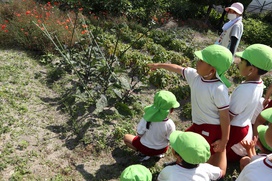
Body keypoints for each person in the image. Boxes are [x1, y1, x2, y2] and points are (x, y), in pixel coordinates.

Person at [148, 44, 233, 176]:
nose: (197, 62)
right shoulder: (195, 76)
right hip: (198, 124)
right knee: (181, 145)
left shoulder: (219, 89)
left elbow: (224, 117)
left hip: (211, 128)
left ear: (212, 70)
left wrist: (224, 140)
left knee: (200, 155)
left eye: (201, 61)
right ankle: (183, 164)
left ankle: (201, 174)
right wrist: (158, 65)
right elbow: (177, 68)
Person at [227, 44, 272, 162]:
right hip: (244, 127)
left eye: (242, 61)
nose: (238, 63)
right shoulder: (259, 83)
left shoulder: (244, 90)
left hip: (234, 131)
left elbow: (228, 117)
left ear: (251, 69)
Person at [123, 90, 179, 161]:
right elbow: (170, 139)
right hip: (161, 150)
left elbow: (139, 134)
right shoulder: (170, 124)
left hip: (145, 148)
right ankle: (158, 155)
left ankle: (143, 153)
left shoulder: (147, 118)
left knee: (126, 138)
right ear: (171, 110)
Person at [157, 131, 223, 181]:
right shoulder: (206, 168)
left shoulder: (168, 171)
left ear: (180, 158)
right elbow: (221, 173)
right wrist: (223, 148)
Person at [236, 108, 272, 181]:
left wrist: (249, 149)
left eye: (270, 124)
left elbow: (253, 159)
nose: (268, 125)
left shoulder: (253, 174)